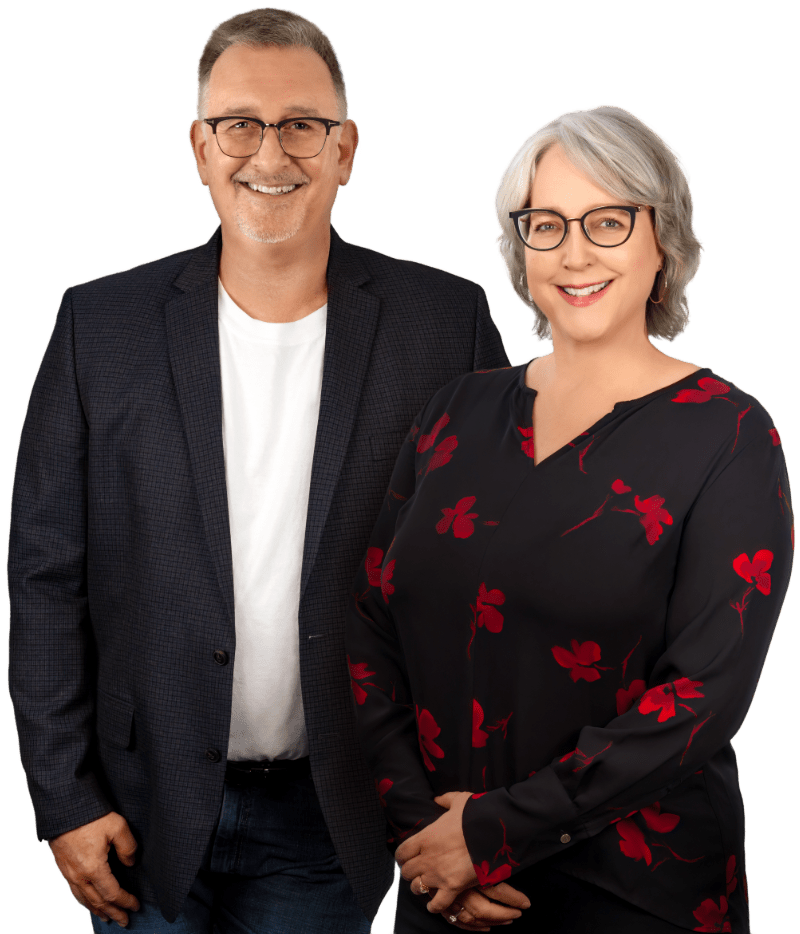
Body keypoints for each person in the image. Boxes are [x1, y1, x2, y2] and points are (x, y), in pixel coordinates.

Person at [6, 7, 511, 933]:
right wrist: (63, 798)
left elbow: (486, 573)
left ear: (347, 148)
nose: (268, 153)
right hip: (137, 806)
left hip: (337, 809)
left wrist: (476, 795)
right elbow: (44, 576)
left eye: (301, 124)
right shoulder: (98, 326)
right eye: (239, 123)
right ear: (200, 148)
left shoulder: (442, 323)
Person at [346, 103, 793, 933]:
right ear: (519, 250)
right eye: (545, 225)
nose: (575, 251)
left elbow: (704, 695)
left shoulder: (729, 432)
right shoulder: (454, 410)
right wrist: (424, 832)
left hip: (634, 894)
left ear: (664, 237)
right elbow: (371, 623)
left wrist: (491, 833)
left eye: (608, 220)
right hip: (443, 887)